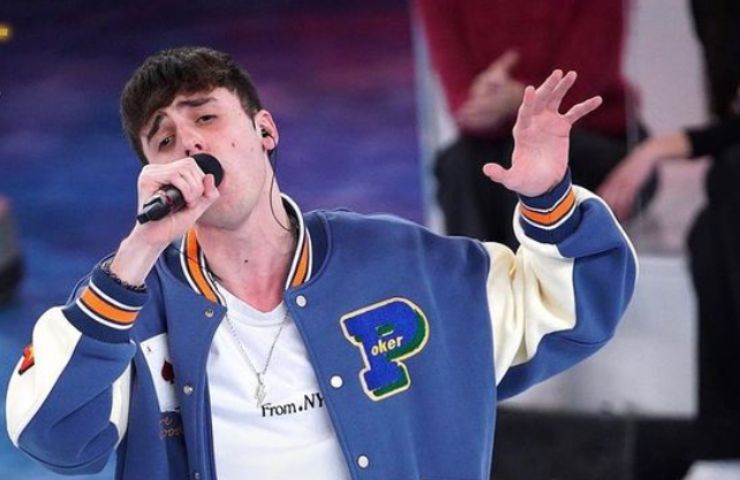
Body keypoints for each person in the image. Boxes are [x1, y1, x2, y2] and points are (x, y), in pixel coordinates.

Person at [6, 47, 636, 480]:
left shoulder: (405, 265)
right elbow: (52, 437)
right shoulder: (128, 307)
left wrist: (548, 199)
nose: (189, 141)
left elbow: (579, 308)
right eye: (164, 139)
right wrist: (139, 251)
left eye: (206, 116)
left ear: (265, 131)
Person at [416, 0, 656, 249]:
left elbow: (584, 81)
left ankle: (531, 271)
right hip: (494, 139)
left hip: (594, 135)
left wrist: (520, 98)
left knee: (528, 163)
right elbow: (463, 101)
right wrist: (484, 97)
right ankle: (480, 271)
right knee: (459, 164)